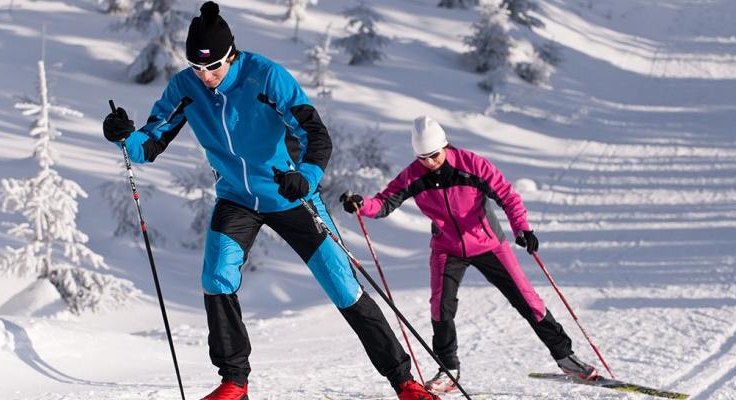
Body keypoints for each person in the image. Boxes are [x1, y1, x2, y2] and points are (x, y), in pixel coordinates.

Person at [102, 3, 439, 399]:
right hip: (236, 198)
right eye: (197, 68)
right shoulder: (185, 88)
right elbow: (150, 143)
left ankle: (404, 382)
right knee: (216, 277)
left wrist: (307, 176)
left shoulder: (266, 77)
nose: (206, 77)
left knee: (343, 287)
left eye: (214, 68)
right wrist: (124, 135)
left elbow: (316, 134)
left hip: (289, 195)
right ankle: (234, 383)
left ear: (232, 55)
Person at [339, 116, 598, 394]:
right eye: (422, 157)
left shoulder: (472, 165)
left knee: (527, 300)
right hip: (447, 248)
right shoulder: (414, 175)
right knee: (441, 306)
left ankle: (565, 357)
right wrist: (361, 205)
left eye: (434, 155)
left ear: (444, 146)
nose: (429, 162)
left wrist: (522, 228)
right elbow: (385, 202)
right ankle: (448, 368)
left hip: (488, 244)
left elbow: (507, 196)